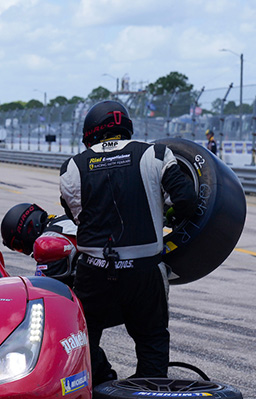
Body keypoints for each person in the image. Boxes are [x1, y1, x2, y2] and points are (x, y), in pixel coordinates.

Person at [59, 100, 199, 383]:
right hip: (143, 271)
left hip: (94, 271)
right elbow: (187, 200)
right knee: (152, 340)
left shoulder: (71, 166)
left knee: (82, 340)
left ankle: (100, 388)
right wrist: (168, 217)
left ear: (91, 132)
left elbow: (76, 217)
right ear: (126, 126)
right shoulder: (157, 154)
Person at [0, 202, 78, 287]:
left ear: (28, 229)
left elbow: (44, 289)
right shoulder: (65, 218)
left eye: (19, 247)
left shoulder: (46, 243)